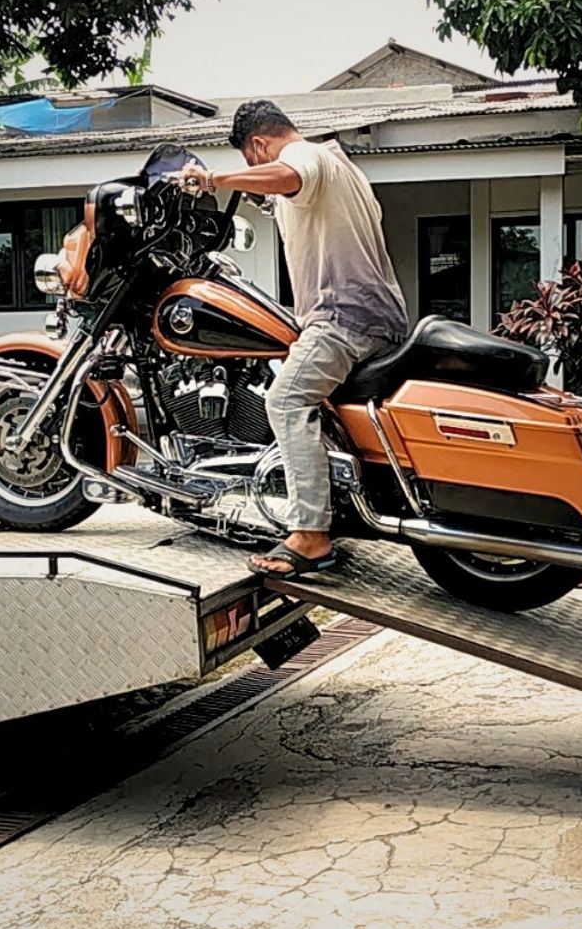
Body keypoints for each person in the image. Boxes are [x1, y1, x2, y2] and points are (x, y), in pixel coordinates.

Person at [175, 100, 408, 578]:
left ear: (258, 144)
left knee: (284, 400)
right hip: (375, 317)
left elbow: (289, 176)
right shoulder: (344, 169)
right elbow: (286, 195)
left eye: (250, 159)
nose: (254, 168)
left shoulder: (309, 158)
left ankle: (310, 534)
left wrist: (215, 181)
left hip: (345, 319)